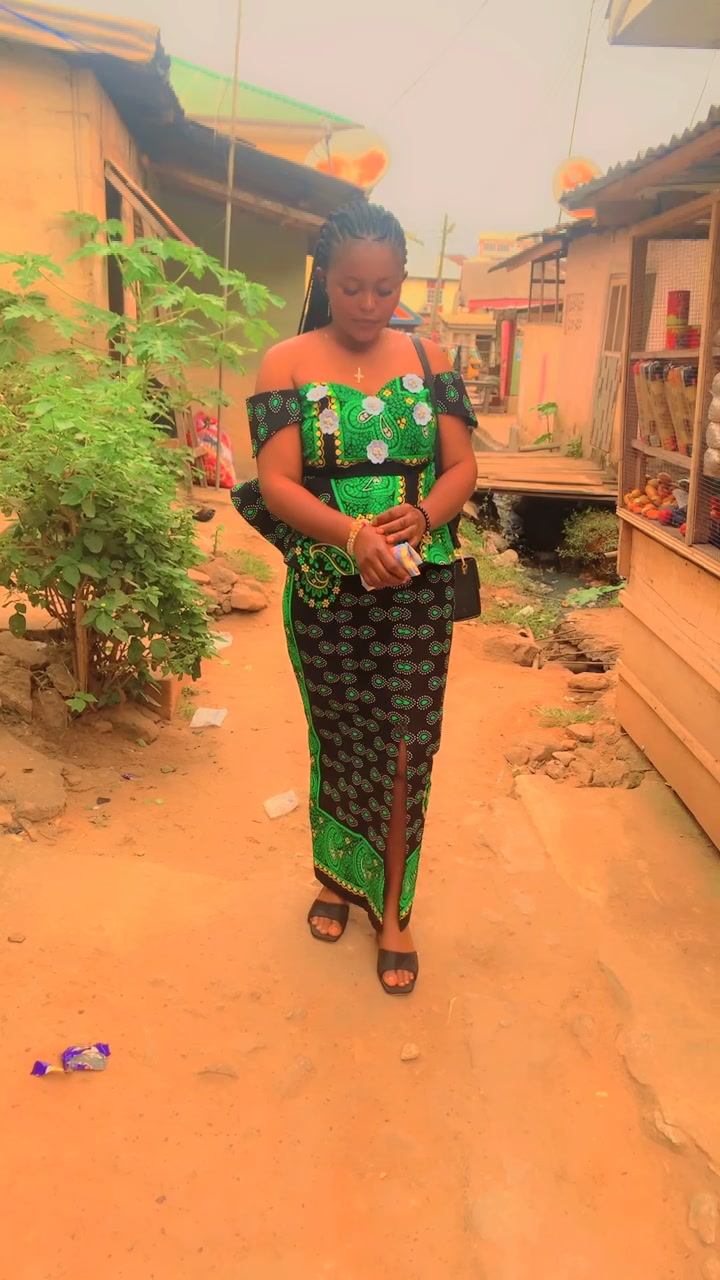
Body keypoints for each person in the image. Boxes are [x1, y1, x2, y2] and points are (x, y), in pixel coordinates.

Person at [233, 201, 477, 994]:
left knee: (406, 744)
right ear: (325, 282)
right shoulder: (286, 363)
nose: (369, 305)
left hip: (417, 587)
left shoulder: (432, 358)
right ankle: (337, 876)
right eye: (351, 289)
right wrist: (351, 536)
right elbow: (276, 482)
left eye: (384, 288)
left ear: (402, 280)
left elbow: (462, 468)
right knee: (340, 736)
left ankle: (394, 911)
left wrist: (425, 515)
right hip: (327, 589)